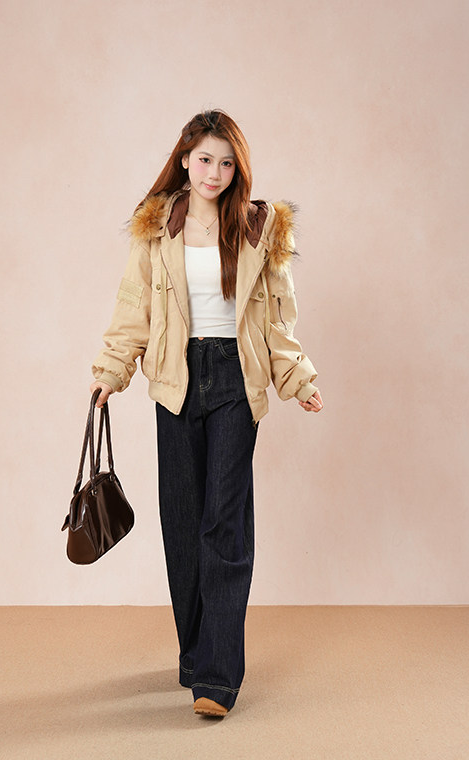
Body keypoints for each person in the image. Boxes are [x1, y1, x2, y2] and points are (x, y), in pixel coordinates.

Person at [90, 109, 323, 717]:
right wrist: (111, 372)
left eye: (226, 163)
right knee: (183, 522)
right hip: (176, 379)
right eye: (204, 160)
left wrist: (296, 378)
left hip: (235, 380)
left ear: (237, 169)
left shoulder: (258, 228)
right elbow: (133, 307)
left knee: (224, 523)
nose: (214, 173)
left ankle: (217, 678)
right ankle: (195, 655)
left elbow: (277, 316)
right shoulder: (157, 226)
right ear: (184, 159)